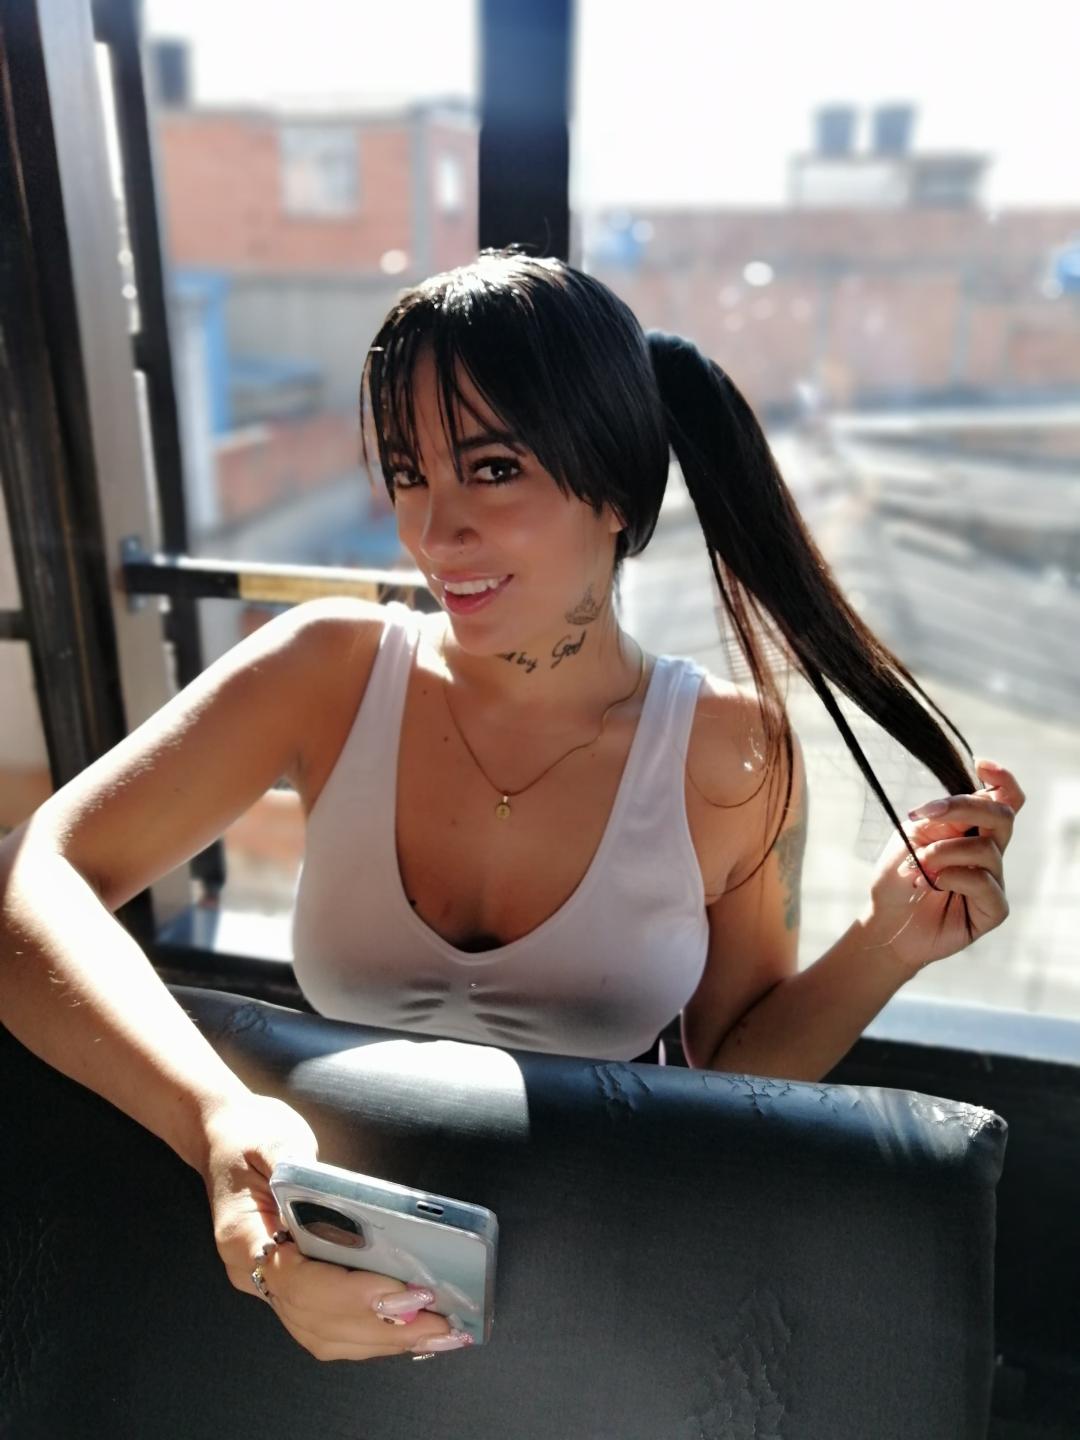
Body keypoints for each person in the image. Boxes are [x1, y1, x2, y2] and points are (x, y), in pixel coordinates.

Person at [0, 249, 1024, 1363]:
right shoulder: (329, 672)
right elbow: (26, 880)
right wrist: (218, 1118)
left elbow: (728, 1082)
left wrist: (883, 945)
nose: (434, 533)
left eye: (492, 470)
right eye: (409, 473)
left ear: (617, 491)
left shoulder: (728, 752)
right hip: (314, 1266)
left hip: (597, 1299)